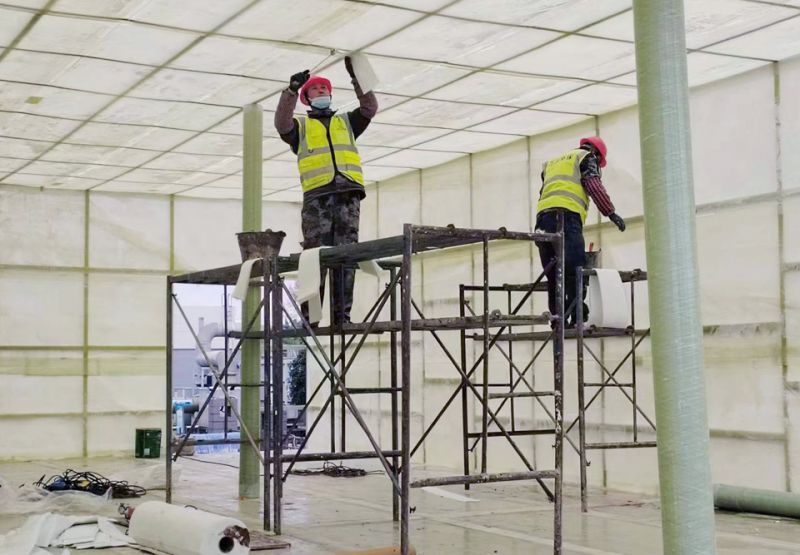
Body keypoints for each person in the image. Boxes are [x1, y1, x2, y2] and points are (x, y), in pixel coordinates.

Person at [274, 57, 378, 324]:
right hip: (317, 199)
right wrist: (290, 91)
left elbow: (369, 107)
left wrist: (357, 77)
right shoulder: (301, 127)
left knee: (347, 255)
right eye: (315, 89)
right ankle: (311, 319)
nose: (321, 91)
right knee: (314, 258)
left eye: (324, 88)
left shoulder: (347, 122)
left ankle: (342, 317)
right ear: (307, 98)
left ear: (330, 95)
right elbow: (282, 124)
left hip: (348, 195)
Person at [534, 137, 625, 327]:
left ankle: (558, 321)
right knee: (575, 268)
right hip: (566, 216)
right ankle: (576, 316)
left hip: (542, 220)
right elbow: (594, 186)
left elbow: (544, 192)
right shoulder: (586, 157)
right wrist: (610, 213)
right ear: (596, 154)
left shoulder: (552, 163)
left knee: (553, 273)